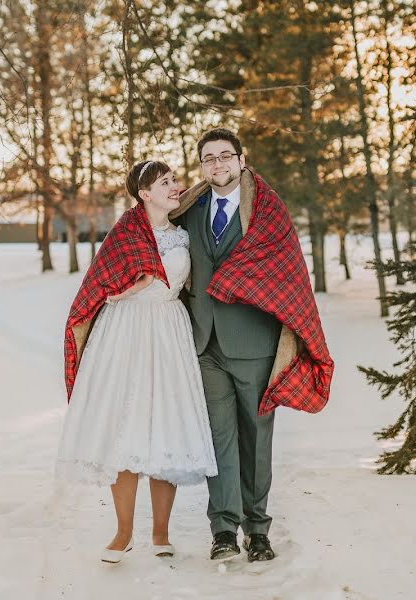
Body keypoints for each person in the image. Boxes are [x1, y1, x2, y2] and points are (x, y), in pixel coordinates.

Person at [170, 128, 335, 562]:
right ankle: (223, 529)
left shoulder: (266, 209)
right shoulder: (189, 210)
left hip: (254, 342)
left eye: (226, 156)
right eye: (209, 158)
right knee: (218, 440)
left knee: (256, 440)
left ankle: (258, 531)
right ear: (201, 165)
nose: (218, 164)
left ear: (241, 161)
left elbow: (286, 270)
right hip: (205, 344)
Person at [58, 160, 217, 564]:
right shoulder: (124, 233)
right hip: (126, 332)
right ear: (145, 193)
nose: (175, 187)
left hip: (169, 331)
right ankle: (123, 532)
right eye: (165, 182)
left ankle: (161, 533)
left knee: (165, 425)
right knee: (124, 428)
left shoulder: (183, 236)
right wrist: (133, 288)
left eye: (175, 180)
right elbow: (102, 288)